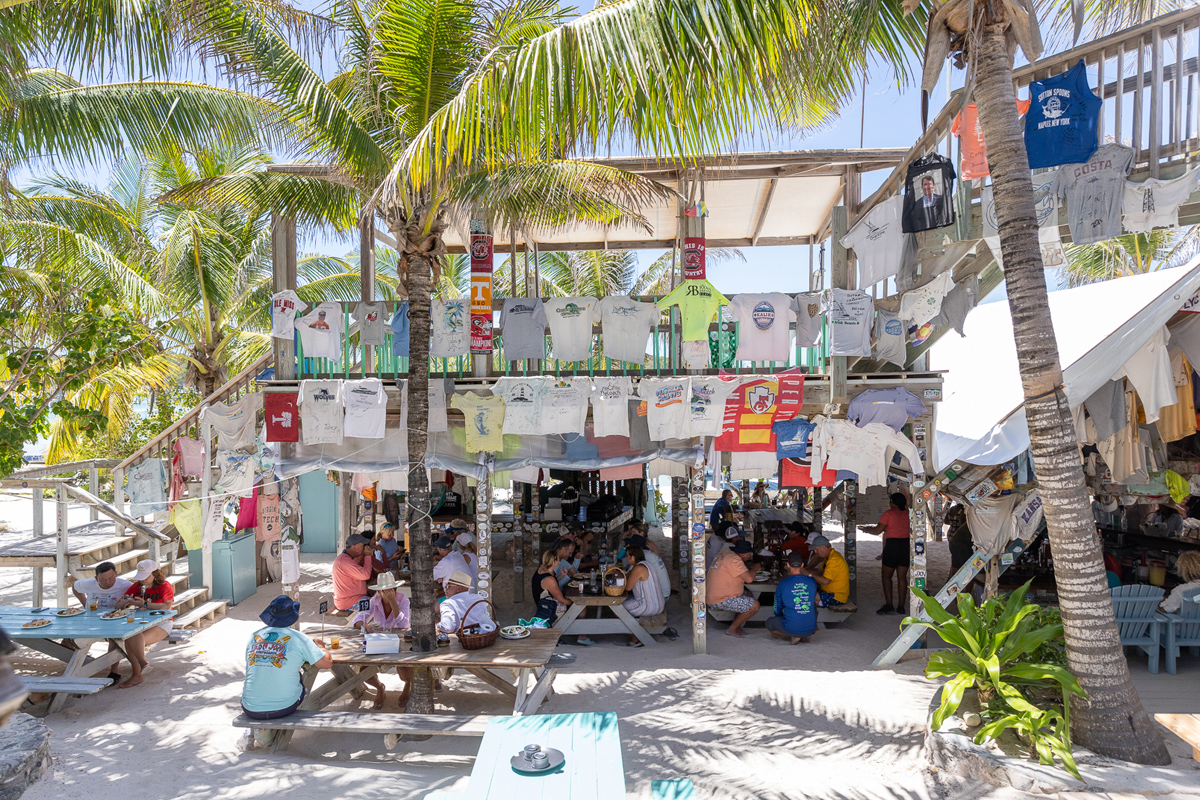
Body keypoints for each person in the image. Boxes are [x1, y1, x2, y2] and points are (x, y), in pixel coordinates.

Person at [240, 595, 332, 750]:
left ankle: (254, 732)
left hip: (250, 707)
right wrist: (322, 648)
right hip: (283, 707)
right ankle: (274, 735)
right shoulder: (299, 639)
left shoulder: (253, 638)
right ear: (292, 616)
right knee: (303, 678)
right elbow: (326, 663)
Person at [351, 572, 412, 709]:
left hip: (398, 642)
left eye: (390, 590)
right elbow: (357, 620)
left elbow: (404, 626)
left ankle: (408, 685)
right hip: (379, 641)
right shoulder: (375, 600)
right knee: (363, 669)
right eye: (383, 591)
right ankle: (379, 687)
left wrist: (392, 602)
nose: (384, 593)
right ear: (378, 590)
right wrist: (364, 625)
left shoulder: (403, 600)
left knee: (405, 670)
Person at [114, 559, 174, 688]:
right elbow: (117, 606)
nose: (143, 580)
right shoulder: (137, 587)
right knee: (131, 635)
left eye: (146, 577)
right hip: (143, 622)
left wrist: (145, 604)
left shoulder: (165, 586)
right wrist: (124, 602)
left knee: (130, 639)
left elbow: (167, 607)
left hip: (162, 622)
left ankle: (138, 672)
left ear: (155, 574)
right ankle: (142, 665)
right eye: (141, 577)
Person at [862, 493, 912, 614]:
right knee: (902, 577)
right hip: (905, 546)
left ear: (892, 502)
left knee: (886, 576)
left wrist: (867, 529)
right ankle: (901, 606)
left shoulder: (888, 514)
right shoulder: (908, 514)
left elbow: (877, 530)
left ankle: (889, 604)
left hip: (892, 546)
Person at [706, 541, 759, 638]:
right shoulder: (734, 560)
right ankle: (732, 629)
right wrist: (755, 568)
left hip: (714, 594)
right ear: (743, 553)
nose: (749, 557)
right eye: (749, 554)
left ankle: (737, 625)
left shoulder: (726, 554)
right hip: (719, 599)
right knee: (755, 606)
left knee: (748, 594)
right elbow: (749, 579)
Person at [768, 552, 819, 644]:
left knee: (769, 623)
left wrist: (780, 616)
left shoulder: (782, 584)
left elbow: (776, 608)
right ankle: (804, 635)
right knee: (811, 605)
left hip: (791, 627)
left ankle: (795, 634)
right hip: (811, 628)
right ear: (802, 565)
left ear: (787, 565)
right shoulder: (812, 581)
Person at [620, 545, 664, 646]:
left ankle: (635, 637)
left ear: (633, 557)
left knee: (618, 607)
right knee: (624, 601)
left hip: (649, 606)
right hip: (658, 603)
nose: (627, 558)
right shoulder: (646, 564)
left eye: (628, 556)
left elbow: (627, 588)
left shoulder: (638, 568)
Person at [438, 571, 496, 635]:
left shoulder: (448, 604)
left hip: (463, 640)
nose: (445, 588)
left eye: (448, 585)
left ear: (458, 588)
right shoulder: (479, 598)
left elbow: (448, 628)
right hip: (481, 636)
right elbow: (484, 620)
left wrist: (438, 625)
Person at [802, 535, 850, 608]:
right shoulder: (828, 557)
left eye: (816, 549)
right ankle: (819, 603)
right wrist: (803, 571)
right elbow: (819, 571)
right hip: (828, 592)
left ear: (823, 547)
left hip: (837, 596)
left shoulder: (834, 560)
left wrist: (808, 574)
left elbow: (825, 581)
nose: (815, 551)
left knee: (803, 596)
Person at [332, 533, 374, 611]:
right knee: (378, 607)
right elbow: (365, 575)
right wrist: (368, 556)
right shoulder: (344, 561)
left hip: (354, 598)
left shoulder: (347, 558)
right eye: (363, 545)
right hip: (349, 601)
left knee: (380, 603)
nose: (364, 548)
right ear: (355, 547)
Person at [532, 549, 573, 626]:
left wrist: (561, 575)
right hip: (548, 608)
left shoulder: (542, 569)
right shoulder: (550, 579)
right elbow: (562, 601)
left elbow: (547, 585)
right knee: (579, 609)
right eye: (558, 559)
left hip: (541, 603)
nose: (559, 561)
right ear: (555, 562)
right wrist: (575, 603)